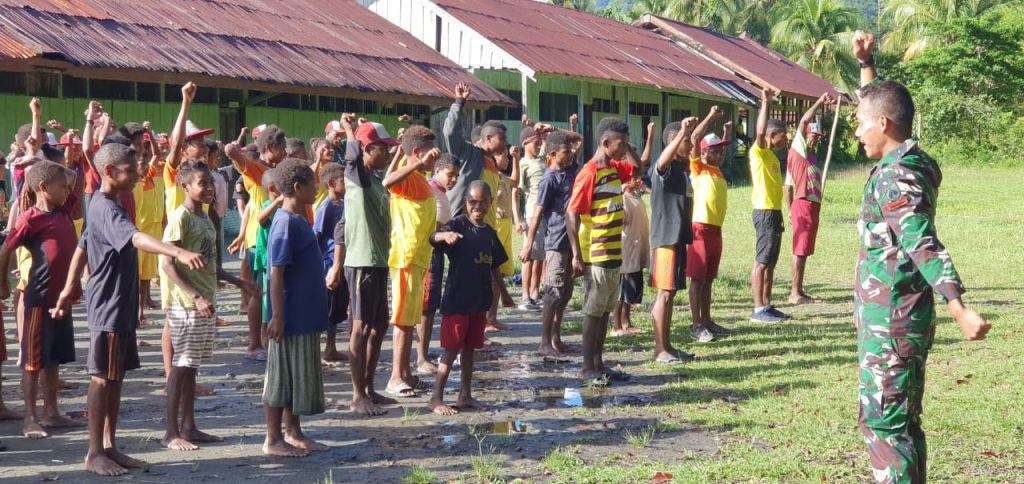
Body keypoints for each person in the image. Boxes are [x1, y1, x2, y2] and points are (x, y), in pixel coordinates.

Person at [851, 30, 991, 483]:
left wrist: (959, 307)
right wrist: (867, 65)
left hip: (891, 322)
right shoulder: (912, 163)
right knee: (903, 423)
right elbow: (879, 103)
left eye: (861, 123)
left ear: (884, 124)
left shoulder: (895, 178)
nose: (856, 131)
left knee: (886, 426)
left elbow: (922, 242)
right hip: (900, 318)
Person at [51, 142, 205, 476]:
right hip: (108, 305)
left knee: (115, 377)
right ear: (109, 171)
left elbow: (82, 247)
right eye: (131, 169)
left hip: (119, 305)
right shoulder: (106, 207)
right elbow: (135, 238)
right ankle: (94, 452)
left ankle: (110, 446)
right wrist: (177, 252)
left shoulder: (107, 202)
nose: (138, 174)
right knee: (101, 379)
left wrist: (67, 290)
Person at [160, 162, 255, 451]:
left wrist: (241, 283)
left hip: (205, 304)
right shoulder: (180, 218)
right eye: (202, 183)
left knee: (192, 367)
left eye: (210, 183)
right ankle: (170, 432)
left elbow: (212, 265)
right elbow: (167, 264)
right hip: (187, 307)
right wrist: (195, 297)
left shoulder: (205, 218)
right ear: (185, 186)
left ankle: (189, 426)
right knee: (180, 368)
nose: (209, 188)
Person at [0, 159, 82, 440]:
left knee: (54, 358)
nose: (68, 191)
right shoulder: (29, 218)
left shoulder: (63, 210)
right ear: (44, 187)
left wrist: (42, 165)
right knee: (33, 362)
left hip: (61, 300)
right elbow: (5, 250)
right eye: (62, 187)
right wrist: (3, 285)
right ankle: (30, 418)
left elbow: (71, 176)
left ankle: (51, 411)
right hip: (38, 299)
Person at [262, 159, 330, 457]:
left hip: (304, 315)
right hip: (289, 317)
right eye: (313, 184)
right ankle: (273, 439)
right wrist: (277, 315)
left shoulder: (298, 218)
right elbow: (276, 273)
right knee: (279, 378)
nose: (317, 187)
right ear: (298, 188)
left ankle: (293, 432)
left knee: (295, 375)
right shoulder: (284, 223)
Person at [427, 181, 512, 415]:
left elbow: (495, 266)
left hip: (479, 301)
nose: (477, 207)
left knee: (470, 349)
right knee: (451, 349)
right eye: (472, 202)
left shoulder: (489, 233)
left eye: (482, 202)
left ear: (490, 203)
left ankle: (465, 395)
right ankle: (436, 397)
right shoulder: (458, 224)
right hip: (457, 300)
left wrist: (504, 294)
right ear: (466, 202)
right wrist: (444, 236)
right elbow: (432, 237)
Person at [567, 118, 640, 384]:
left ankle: (599, 364)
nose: (625, 148)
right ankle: (588, 368)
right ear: (605, 143)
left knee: (605, 310)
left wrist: (628, 148)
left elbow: (637, 169)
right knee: (593, 310)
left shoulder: (614, 168)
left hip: (613, 251)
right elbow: (571, 214)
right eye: (622, 144)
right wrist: (577, 255)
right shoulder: (590, 172)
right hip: (596, 252)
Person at [341, 114, 397, 416]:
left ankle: (370, 388)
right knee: (361, 328)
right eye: (382, 148)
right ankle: (357, 395)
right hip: (362, 261)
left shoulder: (374, 179)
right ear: (367, 149)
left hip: (378, 260)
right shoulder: (357, 176)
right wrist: (350, 131)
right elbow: (351, 157)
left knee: (379, 325)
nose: (387, 153)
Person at [382, 126, 440, 397]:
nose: (433, 163)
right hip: (406, 257)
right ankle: (395, 377)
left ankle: (406, 373)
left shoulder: (418, 177)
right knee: (403, 321)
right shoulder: (408, 176)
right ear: (417, 153)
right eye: (430, 156)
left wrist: (402, 154)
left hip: (419, 258)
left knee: (411, 318)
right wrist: (413, 160)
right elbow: (387, 181)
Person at [226, 124, 285, 361]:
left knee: (271, 290)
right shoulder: (253, 169)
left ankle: (265, 337)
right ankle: (253, 343)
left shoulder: (275, 170)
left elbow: (251, 205)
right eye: (281, 148)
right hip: (258, 240)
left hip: (273, 236)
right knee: (258, 292)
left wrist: (239, 234)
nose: (284, 153)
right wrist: (242, 149)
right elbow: (230, 150)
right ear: (269, 147)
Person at [519, 131, 579, 356]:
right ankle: (544, 342)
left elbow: (579, 139)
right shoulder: (549, 179)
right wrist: (528, 244)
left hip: (571, 241)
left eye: (570, 151)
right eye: (565, 152)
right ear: (552, 154)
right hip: (555, 241)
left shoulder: (570, 170)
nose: (571, 155)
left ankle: (556, 338)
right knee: (553, 294)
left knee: (565, 294)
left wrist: (556, 129)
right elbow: (538, 213)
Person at [648, 114, 700, 361]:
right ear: (673, 141)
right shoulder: (665, 168)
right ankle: (660, 350)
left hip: (679, 237)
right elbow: (660, 162)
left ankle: (668, 346)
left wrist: (699, 125)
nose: (691, 145)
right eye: (686, 141)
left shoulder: (682, 167)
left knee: (671, 294)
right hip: (666, 239)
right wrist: (682, 131)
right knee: (664, 294)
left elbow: (695, 141)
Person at [687, 113, 732, 343]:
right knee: (698, 278)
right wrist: (711, 116)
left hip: (716, 230)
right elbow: (695, 137)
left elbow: (723, 147)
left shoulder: (717, 171)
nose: (719, 154)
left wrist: (726, 133)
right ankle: (696, 324)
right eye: (714, 151)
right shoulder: (698, 168)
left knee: (709, 278)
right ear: (702, 153)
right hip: (700, 228)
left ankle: (707, 320)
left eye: (721, 151)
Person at [784, 93, 833, 304]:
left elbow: (787, 185)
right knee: (800, 248)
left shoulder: (810, 156)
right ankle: (794, 293)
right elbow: (804, 121)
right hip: (803, 203)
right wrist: (819, 102)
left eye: (818, 137)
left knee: (805, 249)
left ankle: (799, 289)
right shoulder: (799, 149)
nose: (815, 139)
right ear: (805, 135)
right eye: (813, 135)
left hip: (811, 205)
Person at [749, 87, 792, 323]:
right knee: (762, 261)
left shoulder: (773, 156)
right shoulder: (760, 152)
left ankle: (766, 304)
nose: (786, 139)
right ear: (772, 135)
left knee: (771, 261)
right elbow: (759, 131)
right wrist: (765, 103)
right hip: (764, 211)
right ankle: (758, 309)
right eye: (783, 135)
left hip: (774, 212)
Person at [417, 153, 459, 375]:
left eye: (457, 176)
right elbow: (428, 228)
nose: (454, 179)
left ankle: (423, 352)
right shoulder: (429, 189)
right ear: (437, 171)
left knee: (431, 305)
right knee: (425, 306)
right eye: (450, 174)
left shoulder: (440, 191)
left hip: (437, 252)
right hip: (428, 253)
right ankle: (420, 358)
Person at [313, 162, 347, 362]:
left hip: (341, 262)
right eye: (344, 181)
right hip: (328, 264)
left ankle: (331, 348)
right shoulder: (326, 207)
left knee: (336, 309)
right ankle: (316, 350)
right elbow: (316, 236)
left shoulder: (344, 203)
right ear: (332, 184)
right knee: (324, 308)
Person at [134, 133, 164, 323]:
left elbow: (157, 154)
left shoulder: (150, 175)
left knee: (146, 273)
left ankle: (141, 310)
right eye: (140, 163)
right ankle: (136, 312)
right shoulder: (134, 182)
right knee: (136, 274)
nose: (144, 165)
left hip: (153, 230)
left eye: (145, 161)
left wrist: (151, 135)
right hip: (139, 233)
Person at [515, 126, 546, 311]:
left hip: (545, 214)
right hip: (532, 213)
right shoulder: (522, 164)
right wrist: (518, 218)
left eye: (540, 143)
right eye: (535, 143)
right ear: (525, 143)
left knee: (539, 255)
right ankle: (525, 296)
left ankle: (535, 292)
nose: (539, 146)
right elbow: (516, 192)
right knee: (528, 255)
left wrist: (540, 129)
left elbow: (547, 138)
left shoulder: (541, 159)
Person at [613, 176, 649, 337]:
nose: (639, 180)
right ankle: (616, 326)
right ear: (626, 181)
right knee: (621, 291)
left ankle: (626, 322)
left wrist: (644, 189)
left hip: (637, 250)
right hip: (627, 251)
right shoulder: (623, 200)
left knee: (631, 290)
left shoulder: (636, 198)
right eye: (635, 178)